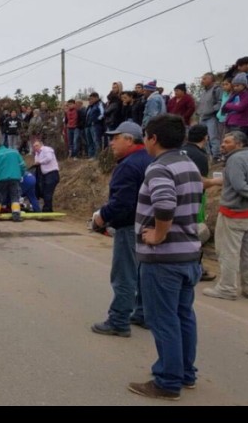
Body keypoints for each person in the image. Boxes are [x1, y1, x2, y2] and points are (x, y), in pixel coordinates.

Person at [127, 114, 203, 401]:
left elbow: (165, 203)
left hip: (164, 260)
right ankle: (186, 373)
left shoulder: (159, 168)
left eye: (145, 135)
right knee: (184, 316)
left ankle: (167, 382)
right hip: (188, 255)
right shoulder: (188, 164)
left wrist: (157, 236)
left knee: (163, 320)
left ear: (153, 138)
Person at [91, 122, 152, 337]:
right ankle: (143, 313)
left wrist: (102, 217)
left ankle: (119, 320)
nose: (111, 142)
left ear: (129, 139)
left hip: (129, 226)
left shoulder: (128, 165)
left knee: (124, 274)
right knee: (142, 271)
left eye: (115, 138)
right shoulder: (150, 160)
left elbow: (122, 203)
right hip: (149, 226)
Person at [202, 131, 248, 300]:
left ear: (239, 144)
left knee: (228, 252)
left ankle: (227, 288)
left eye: (227, 141)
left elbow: (239, 185)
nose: (222, 144)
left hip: (234, 213)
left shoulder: (235, 160)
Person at [180, 124, 216, 282]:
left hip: (177, 197)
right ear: (205, 138)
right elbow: (200, 181)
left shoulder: (180, 150)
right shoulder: (200, 156)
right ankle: (195, 267)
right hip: (194, 200)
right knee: (194, 232)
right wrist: (217, 181)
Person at [0, 143, 27, 222]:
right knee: (15, 196)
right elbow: (22, 165)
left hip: (1, 179)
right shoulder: (15, 152)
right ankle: (16, 215)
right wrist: (21, 174)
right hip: (15, 178)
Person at [32, 140, 60, 212]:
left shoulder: (47, 149)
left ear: (41, 145)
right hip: (45, 175)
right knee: (44, 191)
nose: (35, 147)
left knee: (47, 192)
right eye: (34, 146)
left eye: (37, 145)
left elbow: (49, 158)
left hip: (52, 173)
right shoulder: (37, 154)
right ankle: (48, 208)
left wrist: (40, 162)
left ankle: (47, 209)